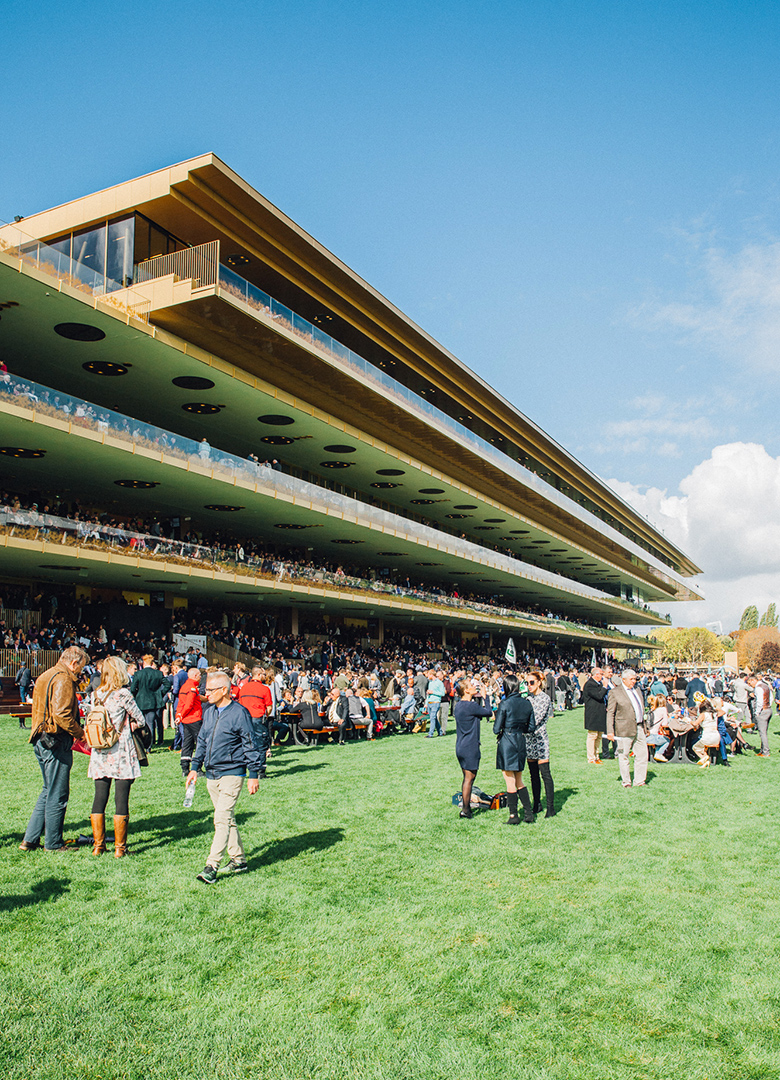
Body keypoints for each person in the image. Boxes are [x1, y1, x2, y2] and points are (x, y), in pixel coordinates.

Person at [187, 671, 262, 884]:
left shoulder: (239, 713)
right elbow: (202, 741)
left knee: (220, 819)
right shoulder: (209, 712)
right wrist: (194, 767)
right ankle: (239, 860)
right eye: (205, 690)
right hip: (211, 775)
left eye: (210, 690)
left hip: (232, 773)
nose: (206, 693)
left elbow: (250, 743)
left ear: (224, 690)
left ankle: (212, 866)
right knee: (227, 819)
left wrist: (253, 775)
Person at [21, 645, 89, 852]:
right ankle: (53, 843)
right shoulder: (63, 678)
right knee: (58, 793)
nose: (80, 672)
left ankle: (30, 840)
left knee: (47, 790)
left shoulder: (47, 674)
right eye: (80, 668)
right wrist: (81, 733)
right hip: (56, 740)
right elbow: (62, 715)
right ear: (74, 662)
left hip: (42, 739)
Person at [88, 656, 146, 857]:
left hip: (100, 750)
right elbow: (141, 719)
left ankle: (98, 845)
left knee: (99, 797)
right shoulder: (123, 694)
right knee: (121, 799)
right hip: (121, 749)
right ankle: (120, 848)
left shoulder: (98, 693)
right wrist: (132, 725)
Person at [492, 673, 536, 824]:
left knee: (509, 780)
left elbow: (496, 729)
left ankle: (513, 815)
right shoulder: (527, 703)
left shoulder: (504, 704)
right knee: (519, 780)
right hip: (520, 740)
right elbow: (531, 727)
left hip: (508, 741)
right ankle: (529, 814)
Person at [452, 676, 493, 818]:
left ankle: (466, 807)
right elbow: (488, 712)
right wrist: (485, 697)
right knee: (469, 779)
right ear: (466, 690)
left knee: (467, 778)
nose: (474, 686)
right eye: (471, 685)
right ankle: (465, 809)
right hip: (470, 747)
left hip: (460, 746)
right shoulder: (471, 706)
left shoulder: (459, 706)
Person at [606, 669, 648, 788]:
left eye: (635, 679)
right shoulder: (615, 692)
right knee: (623, 755)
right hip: (623, 729)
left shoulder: (638, 690)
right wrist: (610, 731)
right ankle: (626, 782)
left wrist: (645, 727)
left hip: (639, 726)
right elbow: (610, 713)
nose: (634, 681)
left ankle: (639, 781)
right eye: (631, 679)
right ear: (623, 679)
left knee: (642, 755)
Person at [525, 668, 556, 816]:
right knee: (533, 775)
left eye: (531, 682)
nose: (529, 685)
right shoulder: (528, 699)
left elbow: (535, 719)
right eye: (527, 683)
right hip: (529, 740)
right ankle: (536, 804)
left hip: (540, 740)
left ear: (539, 683)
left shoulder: (544, 698)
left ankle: (551, 807)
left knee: (545, 774)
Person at [130, 655, 166, 746]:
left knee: (141, 722)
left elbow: (133, 688)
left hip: (141, 700)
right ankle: (149, 745)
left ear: (144, 662)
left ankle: (142, 742)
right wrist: (160, 693)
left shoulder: (138, 674)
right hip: (153, 701)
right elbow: (168, 685)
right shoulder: (158, 673)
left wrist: (136, 695)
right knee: (150, 723)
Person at [175, 666, 204, 778]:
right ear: (195, 676)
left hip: (186, 720)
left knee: (187, 743)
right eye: (200, 676)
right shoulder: (192, 687)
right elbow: (189, 704)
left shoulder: (184, 686)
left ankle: (185, 768)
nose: (201, 678)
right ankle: (198, 768)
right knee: (200, 743)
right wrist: (182, 714)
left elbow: (181, 704)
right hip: (194, 718)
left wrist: (179, 715)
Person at [582, 667, 609, 764]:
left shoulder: (598, 684)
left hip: (600, 713)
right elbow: (599, 696)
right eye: (601, 674)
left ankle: (596, 755)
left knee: (599, 736)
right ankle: (591, 757)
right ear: (596, 675)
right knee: (592, 735)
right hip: (593, 714)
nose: (602, 676)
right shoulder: (590, 685)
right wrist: (605, 687)